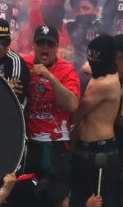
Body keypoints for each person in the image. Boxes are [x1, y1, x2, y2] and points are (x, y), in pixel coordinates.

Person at [69, 34, 121, 207]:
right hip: (85, 149)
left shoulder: (106, 84)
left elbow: (77, 113)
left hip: (100, 152)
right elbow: (86, 68)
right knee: (79, 205)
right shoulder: (102, 73)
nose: (92, 65)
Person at [23, 25, 81, 188]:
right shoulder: (22, 64)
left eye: (49, 44)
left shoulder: (67, 70)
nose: (45, 48)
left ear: (56, 47)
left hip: (56, 145)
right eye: (41, 43)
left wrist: (50, 77)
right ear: (33, 45)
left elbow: (72, 105)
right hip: (29, 144)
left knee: (55, 195)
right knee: (29, 192)